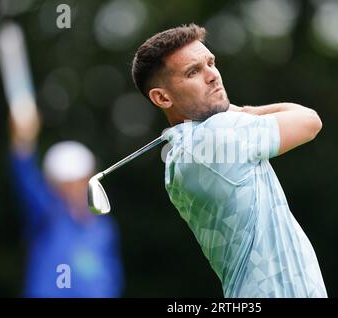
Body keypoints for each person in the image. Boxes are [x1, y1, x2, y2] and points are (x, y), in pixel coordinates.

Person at [131, 23, 327, 298]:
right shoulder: (215, 136)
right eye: (193, 72)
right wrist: (245, 110)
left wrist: (235, 114)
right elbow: (310, 121)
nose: (213, 76)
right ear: (162, 97)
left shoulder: (181, 155)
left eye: (210, 63)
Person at [8, 111, 124, 297]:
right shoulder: (47, 214)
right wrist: (23, 142)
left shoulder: (104, 226)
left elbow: (111, 277)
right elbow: (25, 179)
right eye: (67, 183)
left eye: (80, 180)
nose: (75, 188)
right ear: (53, 186)